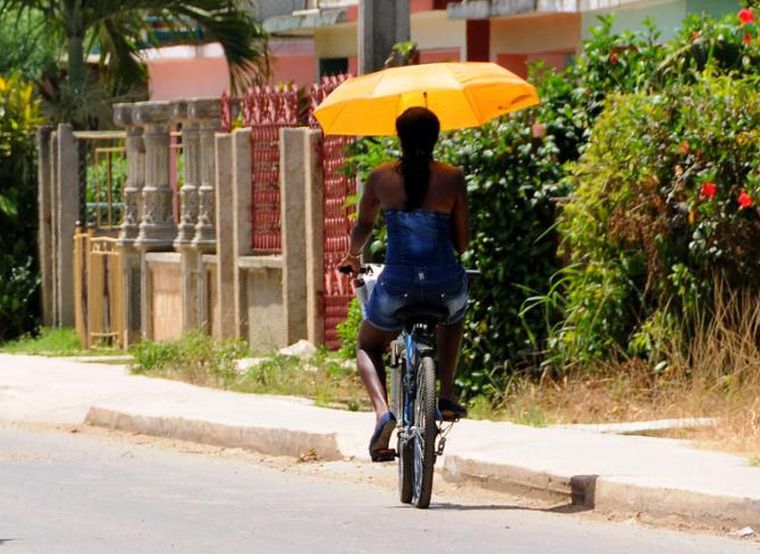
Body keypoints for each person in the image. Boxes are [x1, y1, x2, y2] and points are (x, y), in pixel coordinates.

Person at [339, 106, 470, 462]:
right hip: (444, 283)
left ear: (399, 138)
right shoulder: (452, 177)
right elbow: (462, 244)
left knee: (367, 343)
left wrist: (352, 257)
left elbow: (363, 227)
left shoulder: (381, 177)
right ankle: (444, 393)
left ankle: (383, 413)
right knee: (454, 315)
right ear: (436, 138)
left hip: (397, 287)